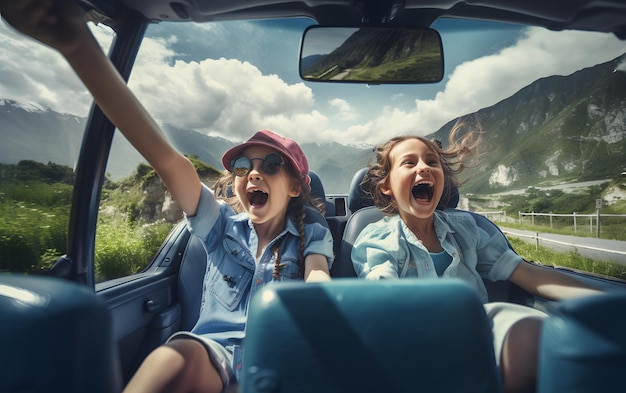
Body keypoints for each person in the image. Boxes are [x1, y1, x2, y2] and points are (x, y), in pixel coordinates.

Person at [0, 1, 333, 392]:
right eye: (243, 166)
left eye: (272, 164)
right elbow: (170, 163)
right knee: (177, 358)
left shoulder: (310, 231)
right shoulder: (219, 226)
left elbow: (318, 281)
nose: (254, 172)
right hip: (216, 360)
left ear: (295, 186)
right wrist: (78, 47)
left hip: (285, 362)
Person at [351, 121, 602, 393]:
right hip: (414, 341)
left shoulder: (467, 230)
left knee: (531, 331)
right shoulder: (378, 239)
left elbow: (528, 274)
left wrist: (604, 299)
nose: (423, 167)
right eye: (409, 163)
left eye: (431, 162)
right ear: (386, 185)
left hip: (477, 334)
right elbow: (382, 295)